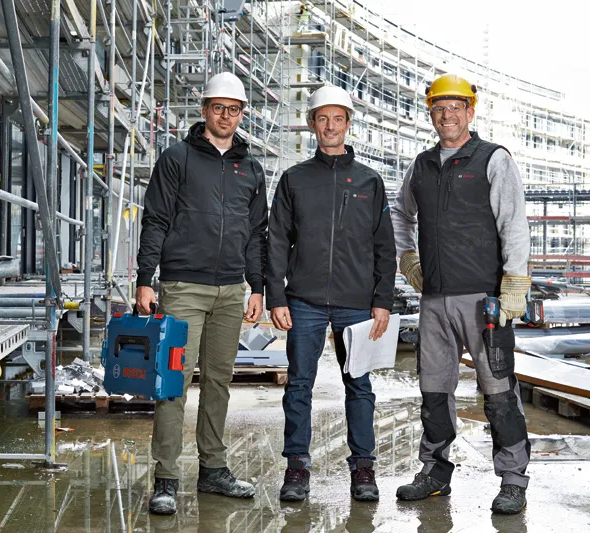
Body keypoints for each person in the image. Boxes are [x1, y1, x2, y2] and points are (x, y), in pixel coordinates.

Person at [391, 73, 532, 515]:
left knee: (498, 391)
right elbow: (400, 213)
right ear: (430, 114)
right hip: (435, 300)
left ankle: (513, 480)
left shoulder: (493, 159)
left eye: (455, 107)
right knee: (434, 391)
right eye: (439, 108)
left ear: (470, 112)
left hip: (484, 300)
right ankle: (434, 472)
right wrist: (407, 259)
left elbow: (513, 221)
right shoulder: (421, 165)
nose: (447, 115)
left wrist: (515, 282)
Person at [135, 71, 268, 515]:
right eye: (218, 108)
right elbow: (155, 219)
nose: (226, 116)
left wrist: (257, 288)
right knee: (173, 382)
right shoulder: (177, 158)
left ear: (241, 114)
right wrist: (145, 278)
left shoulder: (251, 169)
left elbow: (257, 234)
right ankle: (166, 478)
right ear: (205, 110)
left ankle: (213, 469)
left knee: (218, 382)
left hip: (231, 290)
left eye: (234, 109)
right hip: (183, 287)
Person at [266, 85, 397, 503]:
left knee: (359, 386)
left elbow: (385, 246)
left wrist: (382, 300)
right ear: (312, 124)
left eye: (337, 118)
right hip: (303, 300)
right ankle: (296, 466)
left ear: (348, 123)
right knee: (299, 385)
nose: (330, 126)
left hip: (356, 302)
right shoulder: (295, 179)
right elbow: (276, 240)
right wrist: (276, 297)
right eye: (322, 118)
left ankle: (363, 467)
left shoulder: (370, 181)